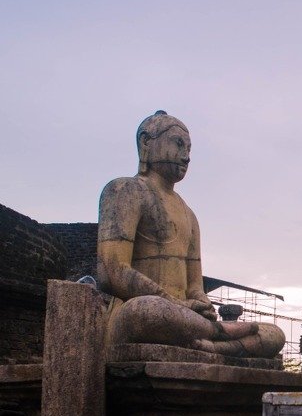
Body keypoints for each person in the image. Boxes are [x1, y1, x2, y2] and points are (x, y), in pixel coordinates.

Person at [97, 110, 285, 358]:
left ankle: (212, 344)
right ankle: (216, 335)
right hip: (143, 312)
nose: (186, 157)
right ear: (146, 142)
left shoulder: (189, 215)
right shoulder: (124, 191)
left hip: (186, 320)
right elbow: (111, 271)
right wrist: (177, 305)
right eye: (178, 144)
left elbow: (195, 286)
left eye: (189, 148)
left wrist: (201, 303)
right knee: (149, 311)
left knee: (275, 334)